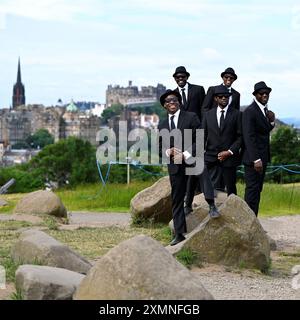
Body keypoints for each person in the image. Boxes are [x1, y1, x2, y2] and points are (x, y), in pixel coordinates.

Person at [158, 90, 219, 246]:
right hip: (174, 165)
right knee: (177, 199)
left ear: (179, 102)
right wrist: (168, 151)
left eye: (174, 100)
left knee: (202, 171)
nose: (172, 102)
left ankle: (212, 205)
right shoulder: (163, 124)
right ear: (165, 105)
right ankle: (179, 233)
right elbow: (160, 148)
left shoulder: (190, 117)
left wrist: (185, 154)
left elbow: (200, 138)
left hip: (191, 156)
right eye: (168, 101)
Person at [173, 66, 206, 215]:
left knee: (196, 169)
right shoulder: (173, 94)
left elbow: (203, 111)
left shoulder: (198, 90)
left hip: (196, 135)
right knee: (183, 172)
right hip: (180, 137)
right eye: (177, 77)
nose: (180, 79)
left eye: (183, 76)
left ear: (187, 76)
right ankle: (185, 204)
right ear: (175, 78)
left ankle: (195, 202)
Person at [202, 67, 240, 192]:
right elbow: (203, 134)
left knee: (230, 189)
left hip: (230, 156)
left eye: (226, 96)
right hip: (211, 156)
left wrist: (229, 151)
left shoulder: (237, 113)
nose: (224, 98)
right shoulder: (208, 115)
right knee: (210, 188)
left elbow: (240, 135)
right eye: (221, 96)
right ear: (216, 98)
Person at [242, 81, 275, 216]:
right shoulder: (250, 111)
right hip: (253, 160)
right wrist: (256, 159)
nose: (265, 95)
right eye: (261, 93)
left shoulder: (264, 111)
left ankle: (253, 223)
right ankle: (247, 224)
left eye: (266, 93)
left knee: (257, 191)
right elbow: (248, 137)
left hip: (262, 158)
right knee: (252, 192)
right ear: (256, 95)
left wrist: (272, 121)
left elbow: (264, 131)